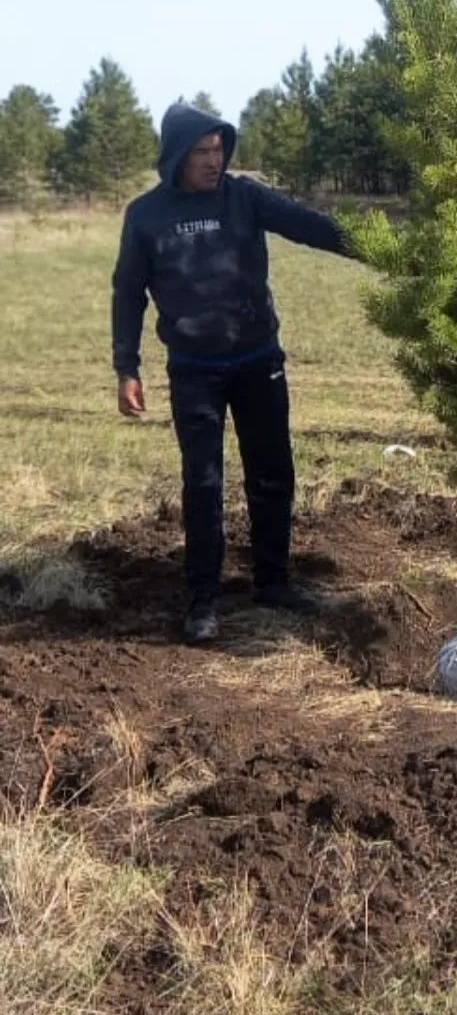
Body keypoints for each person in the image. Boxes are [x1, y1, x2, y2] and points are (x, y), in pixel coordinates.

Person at [111, 101, 351, 644]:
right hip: (194, 370)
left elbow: (309, 226)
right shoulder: (146, 215)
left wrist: (380, 249)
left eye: (218, 150)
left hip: (257, 359)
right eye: (201, 151)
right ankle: (202, 601)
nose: (213, 161)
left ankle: (273, 582)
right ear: (176, 155)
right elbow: (127, 292)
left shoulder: (244, 197)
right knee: (202, 484)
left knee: (273, 473)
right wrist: (127, 366)